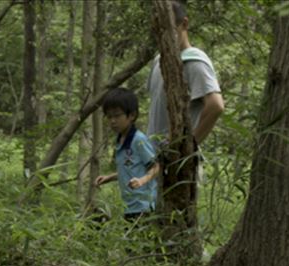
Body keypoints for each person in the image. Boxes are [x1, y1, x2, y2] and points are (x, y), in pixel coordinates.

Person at [147, 0, 224, 150]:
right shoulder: (158, 60)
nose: (164, 35)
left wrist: (187, 147)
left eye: (169, 28)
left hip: (177, 163)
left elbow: (215, 105)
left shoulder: (194, 61)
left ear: (184, 24)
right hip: (154, 160)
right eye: (158, 30)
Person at [95, 88, 159, 221]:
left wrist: (142, 181)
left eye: (117, 116)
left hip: (144, 206)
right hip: (129, 206)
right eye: (109, 116)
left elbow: (156, 166)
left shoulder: (138, 140)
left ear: (132, 115)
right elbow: (131, 169)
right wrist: (109, 177)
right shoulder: (120, 140)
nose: (112, 121)